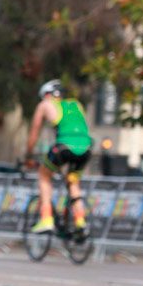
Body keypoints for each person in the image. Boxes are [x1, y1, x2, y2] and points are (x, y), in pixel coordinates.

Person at [26, 79, 92, 234]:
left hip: (63, 146)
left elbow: (34, 133)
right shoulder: (76, 104)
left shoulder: (45, 104)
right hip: (86, 148)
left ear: (46, 95)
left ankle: (46, 218)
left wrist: (28, 155)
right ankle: (80, 221)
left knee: (44, 175)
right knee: (73, 181)